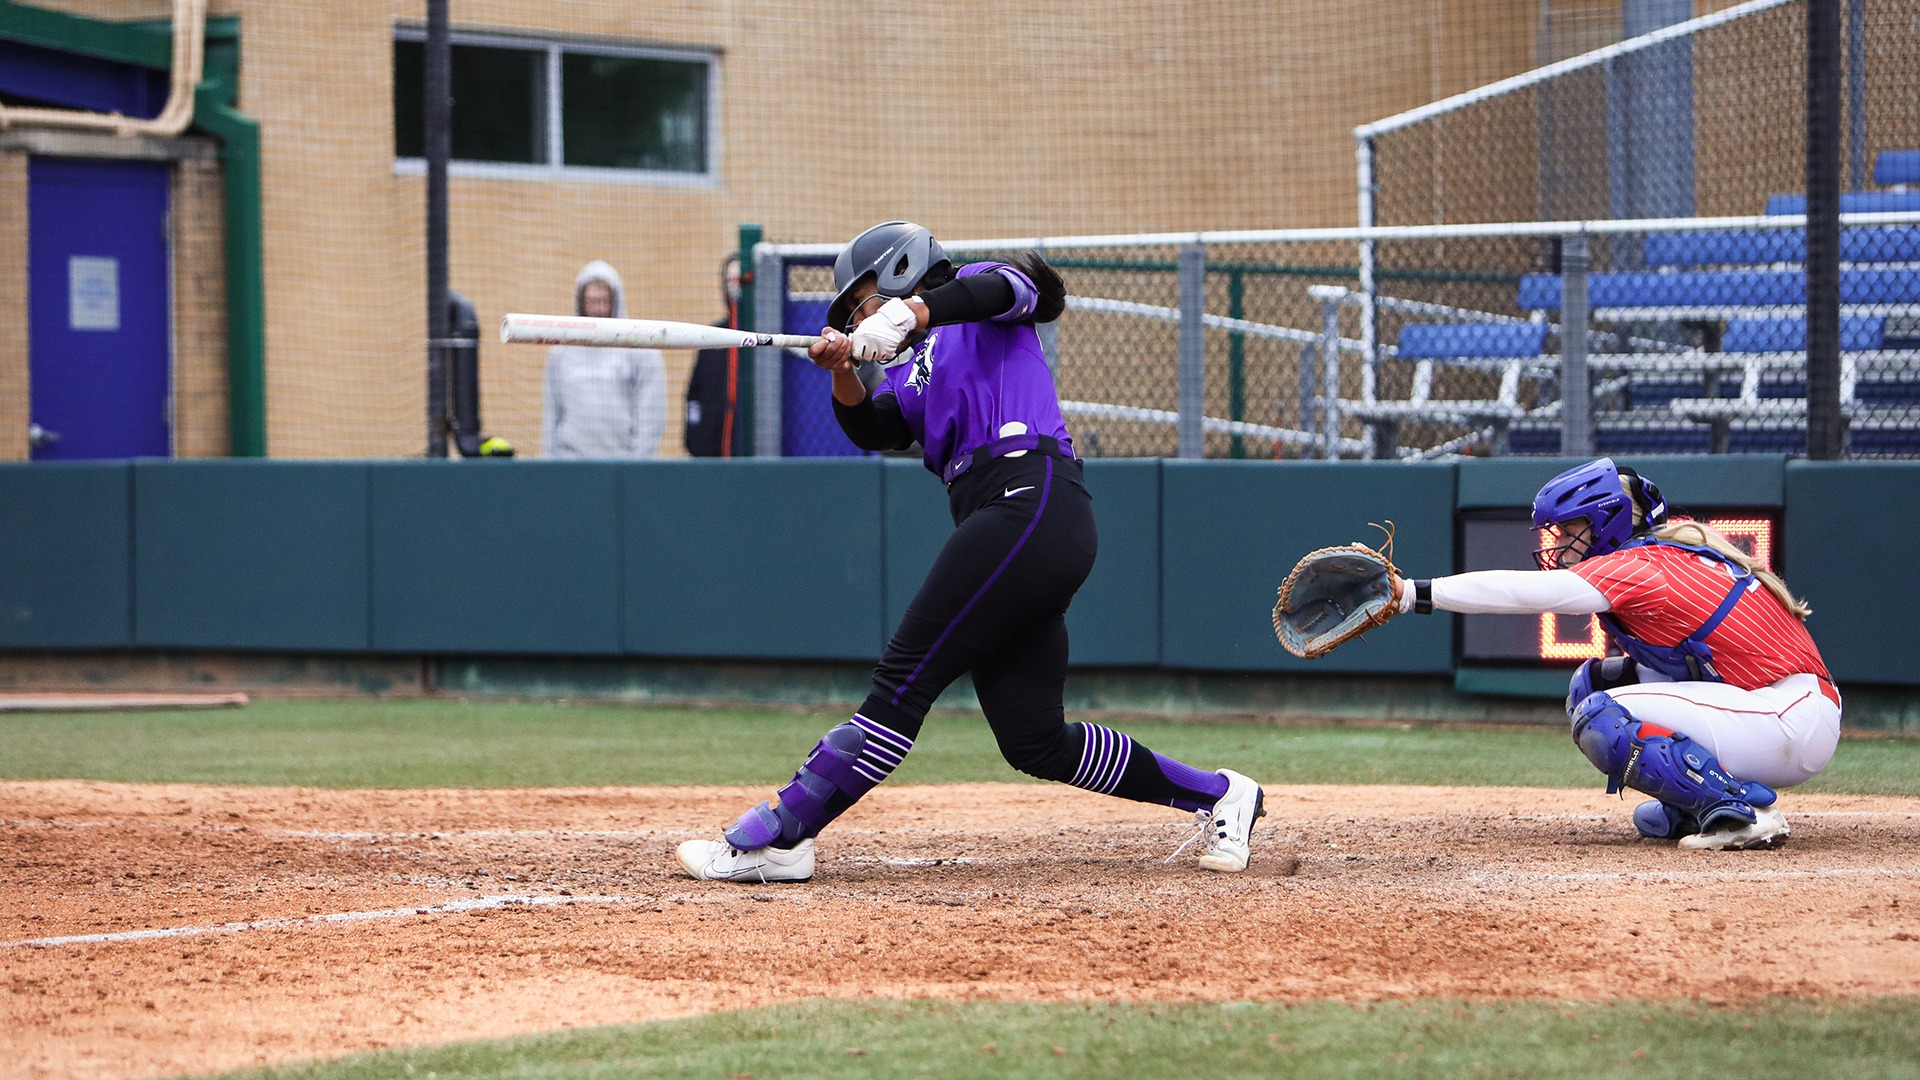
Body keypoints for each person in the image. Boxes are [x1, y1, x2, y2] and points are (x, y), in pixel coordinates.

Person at [676, 221, 1265, 882]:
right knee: (1035, 740)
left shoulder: (982, 294)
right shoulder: (916, 368)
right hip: (1012, 518)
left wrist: (910, 311)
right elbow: (872, 427)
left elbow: (1018, 289)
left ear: (902, 272)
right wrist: (843, 372)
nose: (866, 315)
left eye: (868, 298)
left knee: (902, 681)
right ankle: (1222, 796)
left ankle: (785, 835)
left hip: (1029, 497)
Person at [1389, 458, 1839, 851]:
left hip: (1790, 716)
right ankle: (1692, 805)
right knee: (1598, 681)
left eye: (1571, 528)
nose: (1559, 541)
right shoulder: (1661, 555)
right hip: (1774, 708)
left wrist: (1411, 593)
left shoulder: (1640, 564)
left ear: (1610, 521)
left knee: (1600, 713)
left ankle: (1737, 813)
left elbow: (1519, 591)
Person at [541, 260, 666, 459]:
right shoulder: (561, 353)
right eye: (591, 301)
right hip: (571, 463)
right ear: (581, 302)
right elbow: (551, 415)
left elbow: (650, 416)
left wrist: (638, 467)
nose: (598, 309)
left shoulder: (640, 351)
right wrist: (550, 464)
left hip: (621, 464)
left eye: (604, 301)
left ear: (615, 301)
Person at [684, 253, 751, 457]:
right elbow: (694, 395)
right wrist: (695, 439)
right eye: (729, 281)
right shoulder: (711, 338)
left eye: (739, 281)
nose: (734, 288)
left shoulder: (767, 338)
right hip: (712, 456)